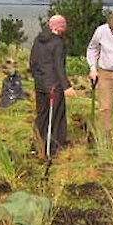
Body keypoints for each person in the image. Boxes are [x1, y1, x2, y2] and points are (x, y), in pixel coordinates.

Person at [29, 14, 76, 155]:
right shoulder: (58, 43)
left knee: (42, 115)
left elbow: (32, 63)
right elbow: (58, 67)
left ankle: (37, 144)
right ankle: (55, 145)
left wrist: (39, 78)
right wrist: (66, 86)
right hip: (54, 86)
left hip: (40, 84)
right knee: (56, 115)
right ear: (61, 27)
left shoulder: (38, 39)